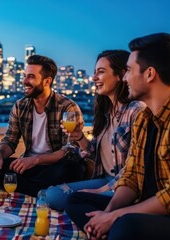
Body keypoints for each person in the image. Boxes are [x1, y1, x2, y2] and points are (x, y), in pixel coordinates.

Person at [65, 32, 170, 240]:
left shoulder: (142, 114)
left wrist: (115, 216)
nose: (125, 77)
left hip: (165, 213)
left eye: (129, 70)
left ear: (149, 74)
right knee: (75, 200)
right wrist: (107, 214)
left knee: (126, 226)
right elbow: (131, 177)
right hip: (140, 204)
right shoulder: (145, 120)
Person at [45, 50, 145, 211]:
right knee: (51, 194)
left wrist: (99, 191)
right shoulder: (105, 113)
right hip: (105, 180)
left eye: (101, 72)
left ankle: (109, 211)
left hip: (125, 186)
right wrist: (79, 136)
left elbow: (135, 167)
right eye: (94, 72)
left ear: (120, 75)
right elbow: (95, 155)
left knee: (73, 200)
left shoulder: (136, 111)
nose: (94, 78)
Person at [0, 55, 84, 197]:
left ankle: (29, 188)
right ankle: (41, 192)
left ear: (47, 81)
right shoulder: (20, 106)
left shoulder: (67, 107)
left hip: (55, 166)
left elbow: (69, 150)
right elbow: (10, 140)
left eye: (31, 77)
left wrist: (36, 160)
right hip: (29, 166)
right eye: (24, 76)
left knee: (72, 170)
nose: (25, 81)